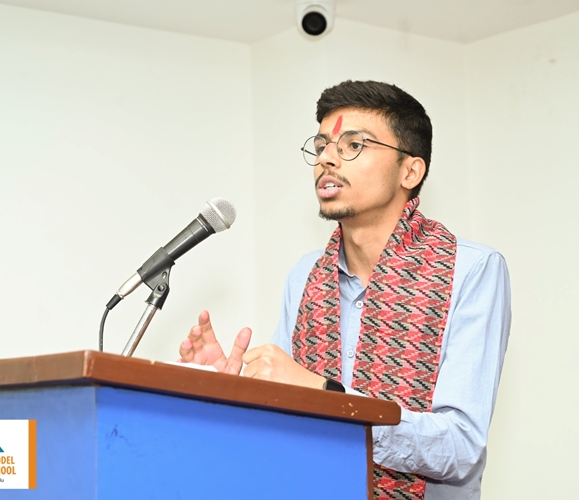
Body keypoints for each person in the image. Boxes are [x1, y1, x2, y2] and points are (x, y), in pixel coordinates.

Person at [178, 80, 511, 500]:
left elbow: (460, 448)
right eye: (321, 146)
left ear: (410, 171)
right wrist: (229, 391)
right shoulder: (306, 276)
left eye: (353, 145)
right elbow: (283, 423)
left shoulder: (472, 270)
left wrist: (326, 396)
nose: (327, 159)